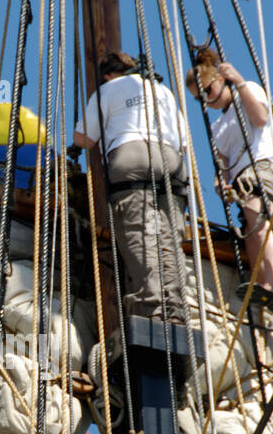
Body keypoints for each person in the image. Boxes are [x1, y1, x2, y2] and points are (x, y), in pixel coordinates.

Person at [72, 50, 189, 325]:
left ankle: (154, 310)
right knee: (169, 237)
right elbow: (183, 141)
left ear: (107, 75)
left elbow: (83, 139)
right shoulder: (163, 91)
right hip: (171, 160)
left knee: (141, 233)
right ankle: (176, 311)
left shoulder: (108, 89)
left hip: (131, 157)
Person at [186, 46, 273, 321]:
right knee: (252, 236)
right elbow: (222, 169)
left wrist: (239, 81)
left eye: (208, 91)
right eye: (199, 98)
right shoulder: (217, 129)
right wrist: (221, 186)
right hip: (242, 181)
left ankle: (270, 286)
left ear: (220, 79)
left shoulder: (247, 90)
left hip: (265, 167)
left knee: (258, 227)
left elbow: (261, 117)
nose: (206, 101)